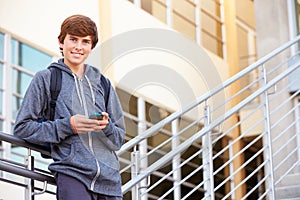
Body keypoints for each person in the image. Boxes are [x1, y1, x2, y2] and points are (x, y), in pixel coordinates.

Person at [13, 14, 126, 200]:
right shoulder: (46, 78)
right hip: (73, 175)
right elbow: (22, 128)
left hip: (110, 183)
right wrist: (69, 125)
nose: (78, 47)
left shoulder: (103, 84)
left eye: (85, 42)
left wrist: (106, 127)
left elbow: (119, 139)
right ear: (61, 42)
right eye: (73, 39)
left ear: (91, 47)